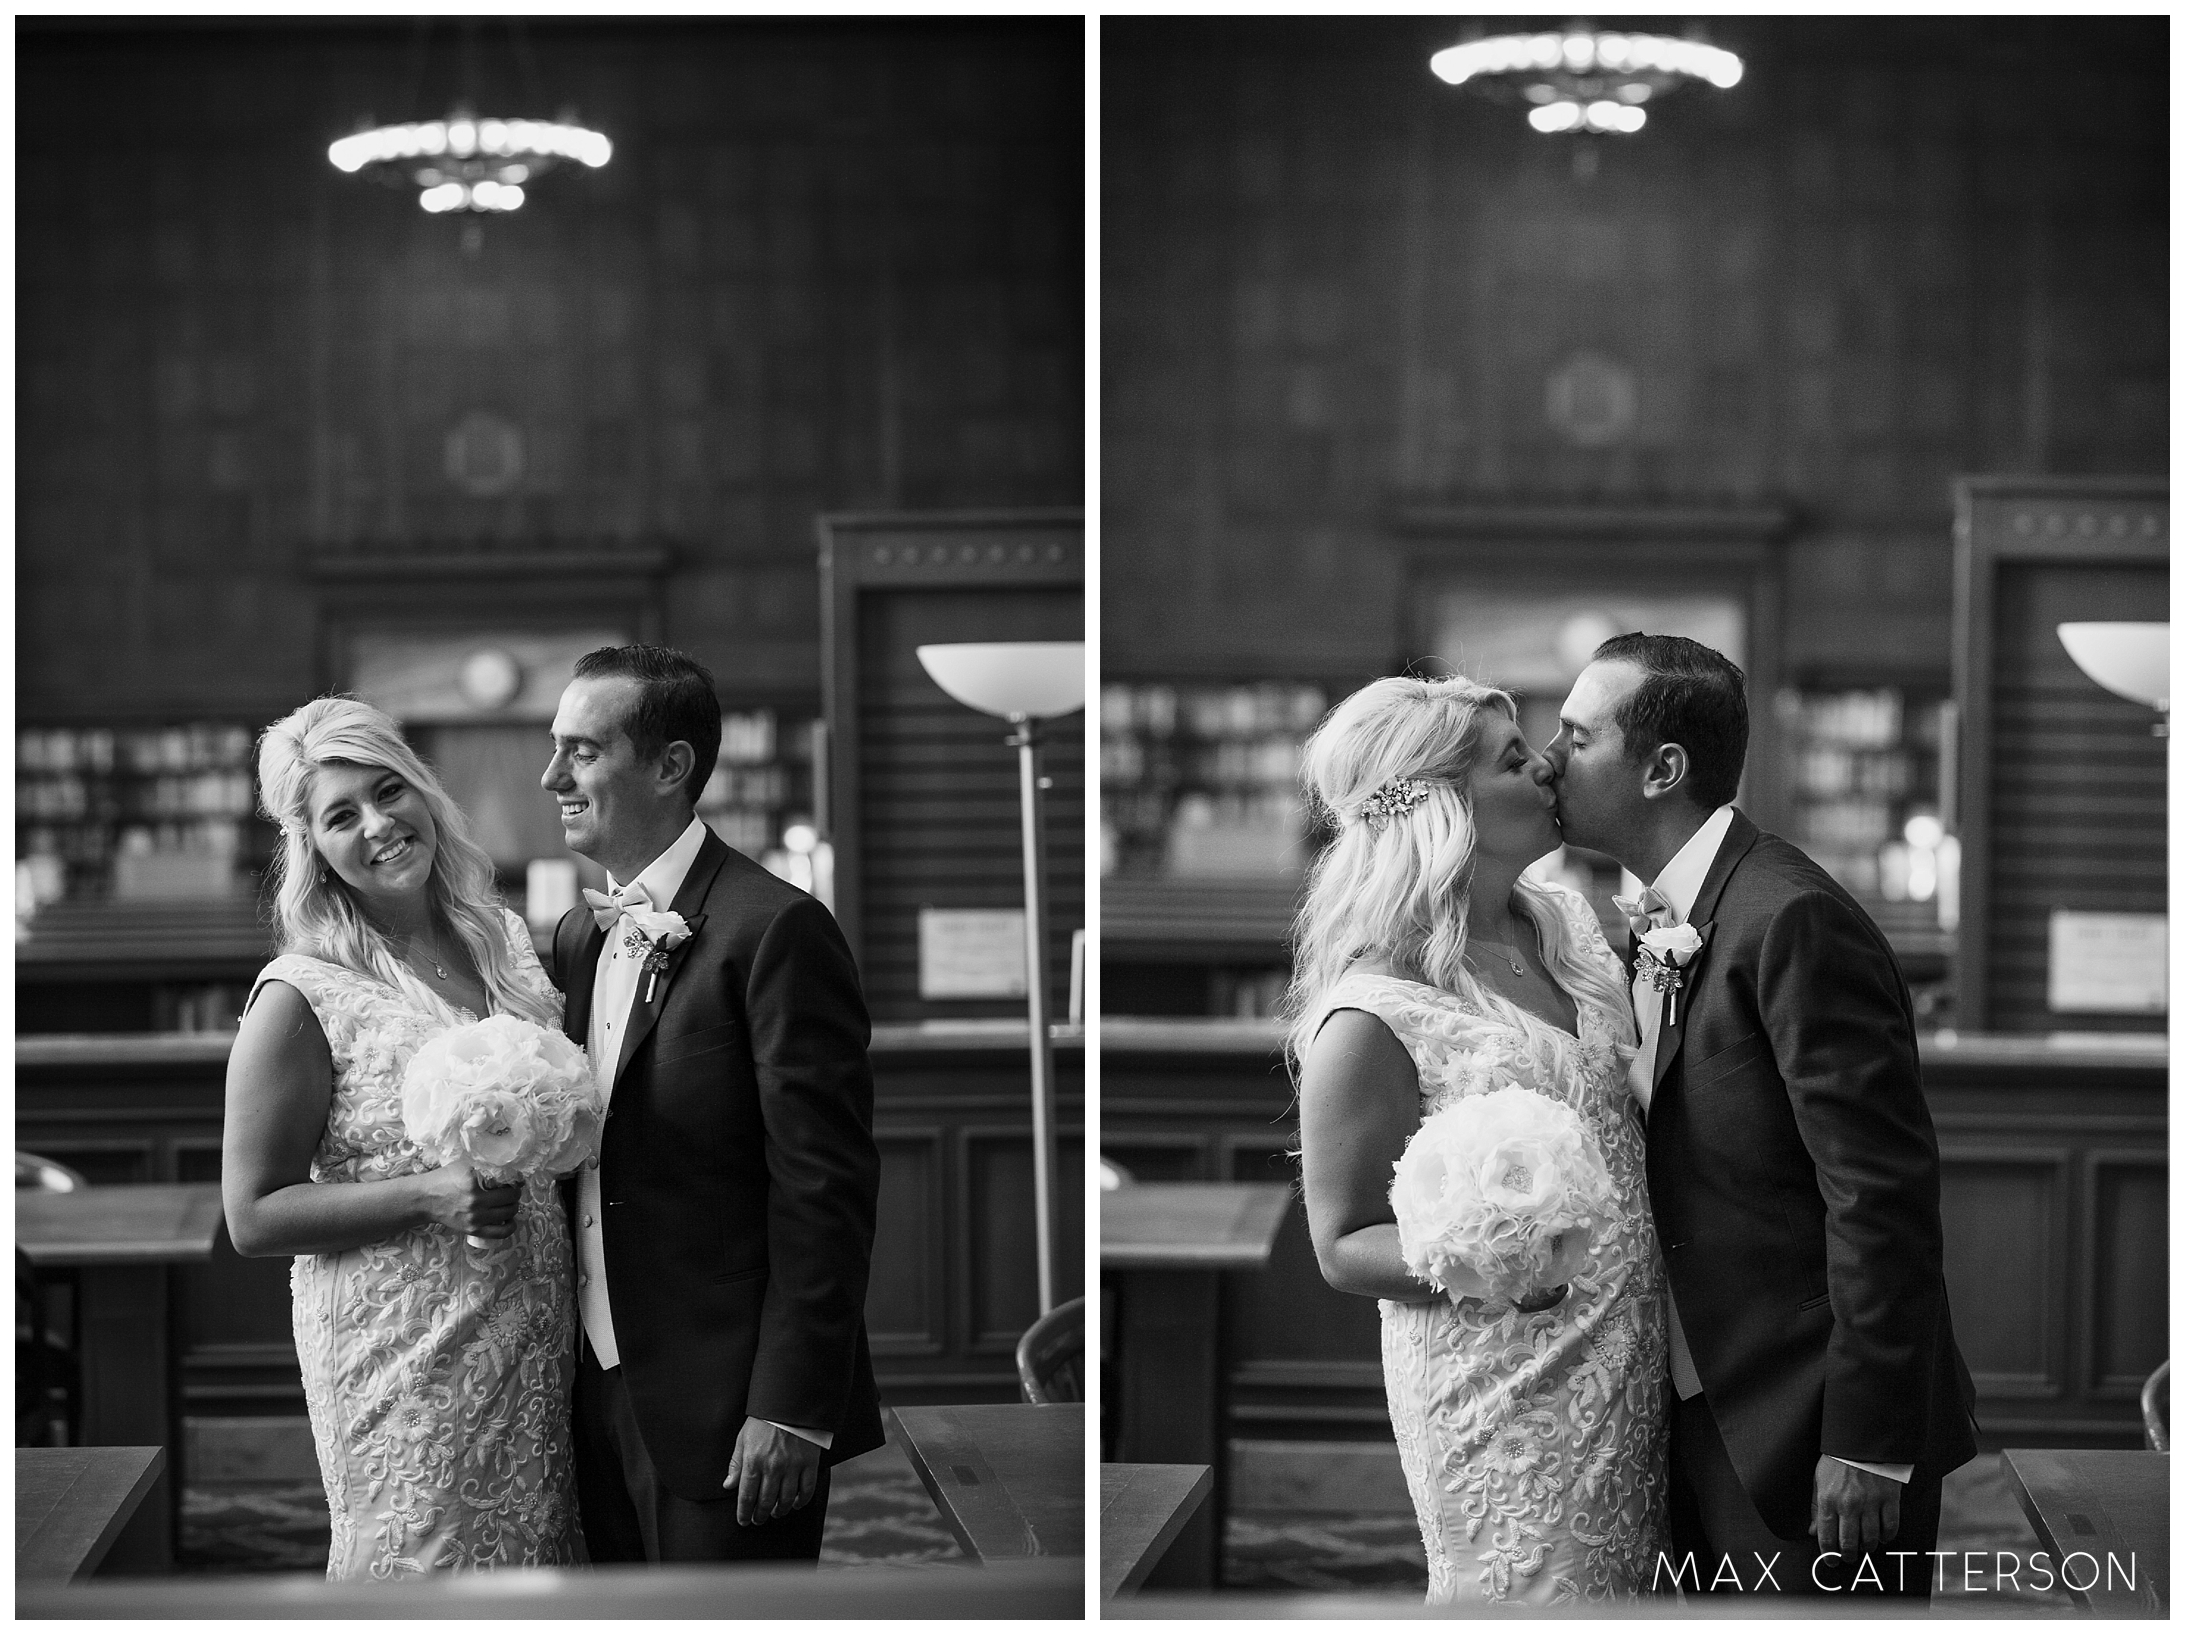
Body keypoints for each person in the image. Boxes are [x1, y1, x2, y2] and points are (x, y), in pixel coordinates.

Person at [1545, 632, 1977, 1599]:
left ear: (1662, 768)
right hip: (1703, 1403)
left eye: (1576, 736)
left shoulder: (1788, 918)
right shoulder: (1657, 916)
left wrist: (1868, 1443)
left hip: (1813, 1422)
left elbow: (1882, 1198)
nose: (1548, 759)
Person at [1290, 674, 1668, 1606]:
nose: (1544, 764)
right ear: (1439, 806)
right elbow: (1341, 1243)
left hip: (1632, 1355)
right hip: (1502, 1383)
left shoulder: (1570, 929)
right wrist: (1499, 1261)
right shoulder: (1372, 1010)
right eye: (1511, 758)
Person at [541, 643, 884, 1563]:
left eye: (581, 750)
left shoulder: (776, 930)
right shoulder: (578, 935)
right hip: (592, 1394)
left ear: (670, 764)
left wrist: (792, 1405)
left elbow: (826, 1190)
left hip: (733, 1406)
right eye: (556, 748)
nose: (552, 775)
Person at [222, 697, 579, 1577]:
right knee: (424, 1563)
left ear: (424, 790)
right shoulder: (301, 993)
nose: (379, 825)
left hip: (535, 1323)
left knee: (538, 1569)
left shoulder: (500, 940)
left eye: (390, 792)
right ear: (311, 845)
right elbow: (253, 1214)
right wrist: (430, 1192)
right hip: (405, 1351)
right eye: (342, 815)